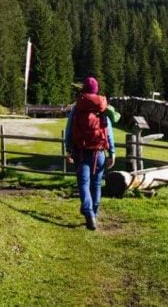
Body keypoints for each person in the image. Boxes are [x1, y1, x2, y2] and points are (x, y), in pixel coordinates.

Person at [64, 76, 115, 230]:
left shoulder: (78, 107)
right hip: (99, 153)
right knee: (96, 184)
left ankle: (88, 213)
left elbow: (69, 130)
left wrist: (68, 150)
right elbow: (109, 131)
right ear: (96, 89)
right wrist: (112, 152)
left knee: (84, 184)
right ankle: (95, 213)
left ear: (84, 89)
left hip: (81, 151)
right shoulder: (102, 108)